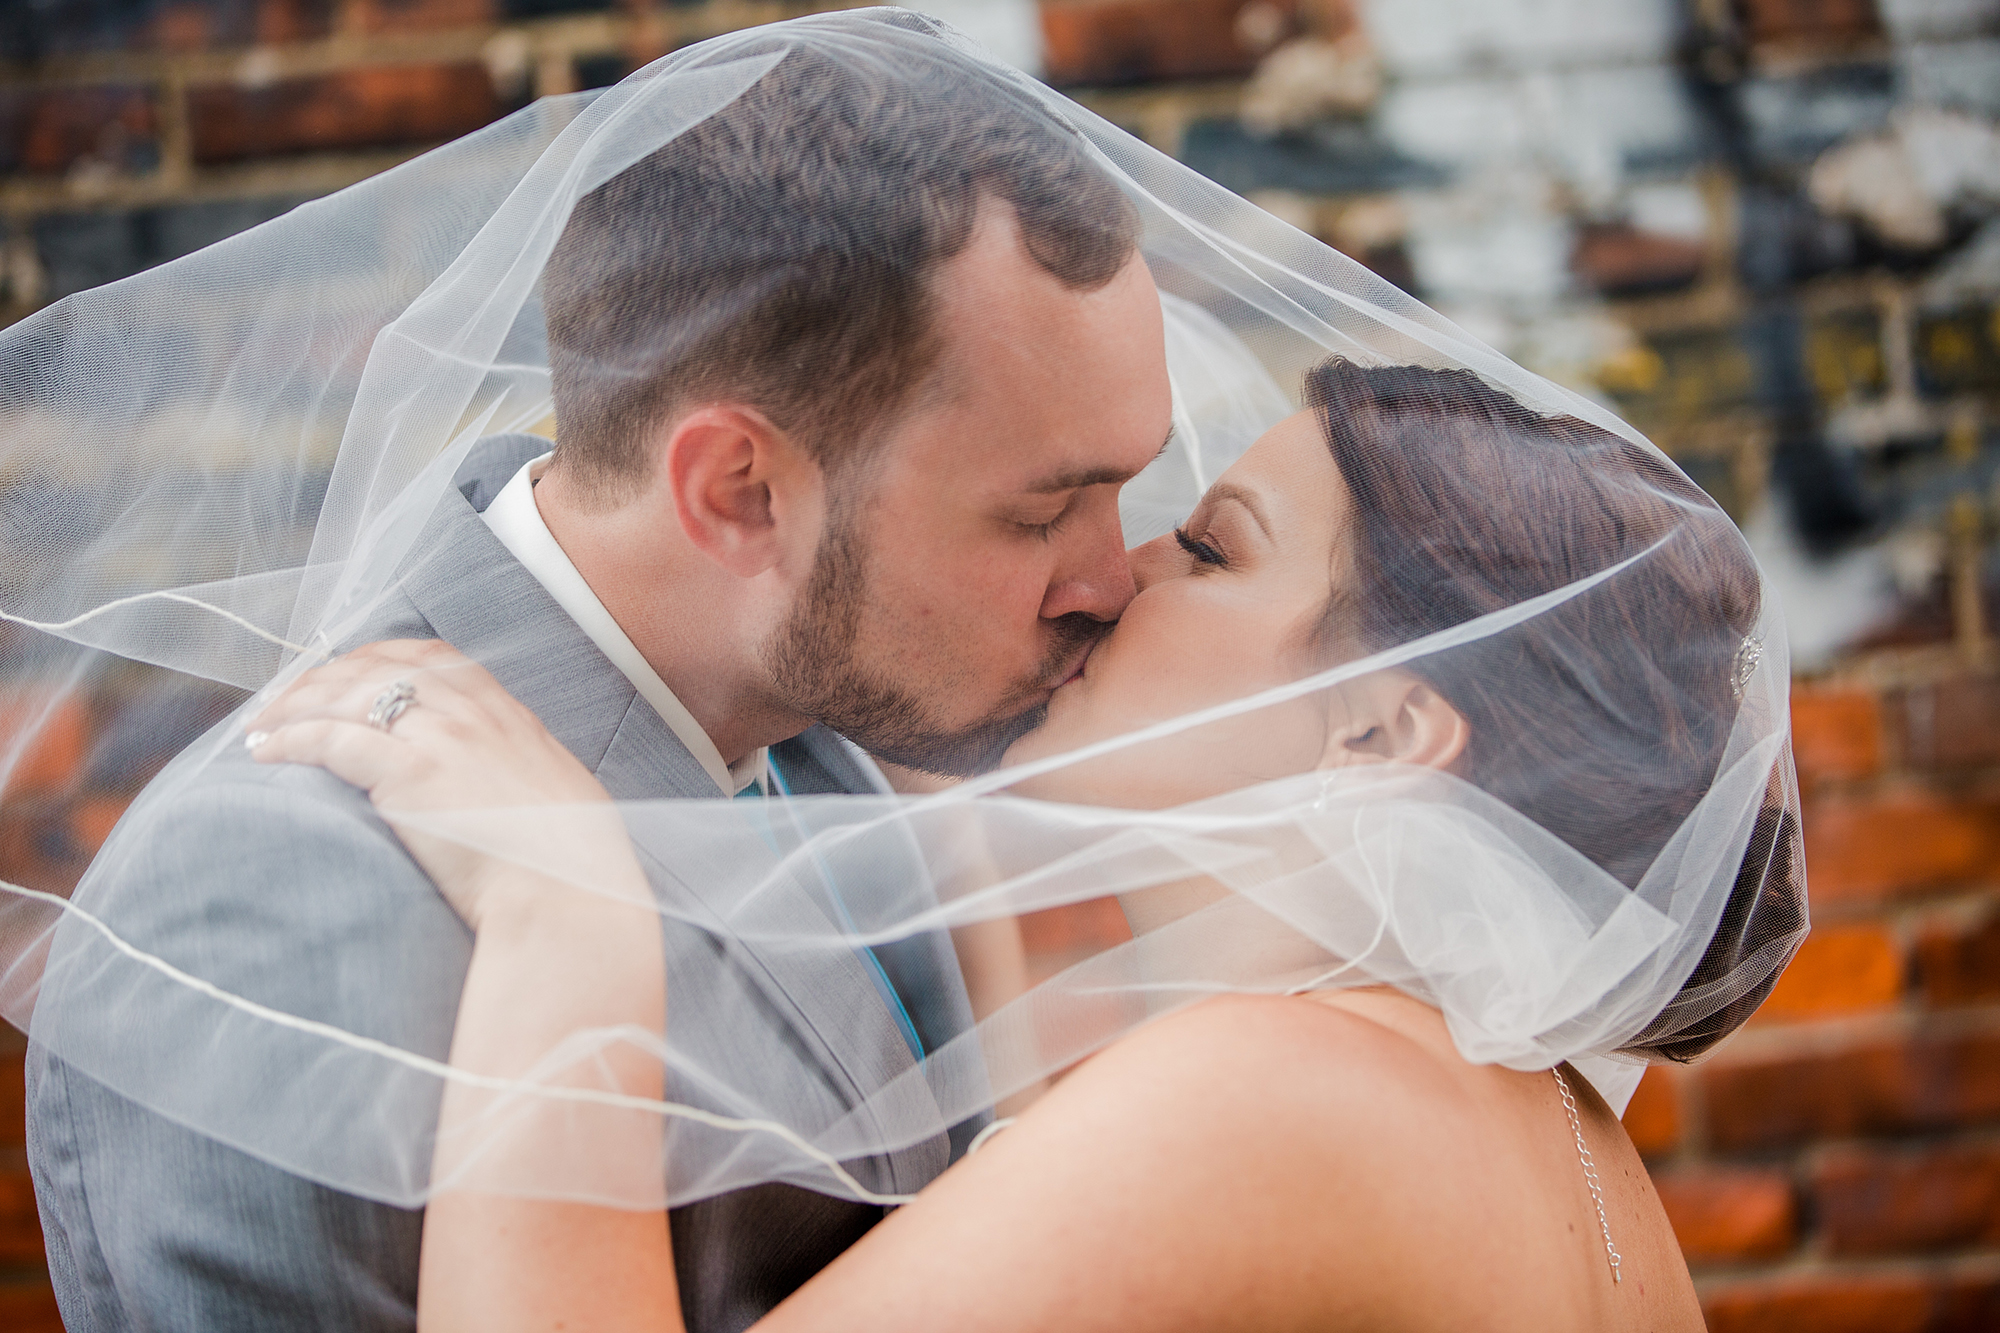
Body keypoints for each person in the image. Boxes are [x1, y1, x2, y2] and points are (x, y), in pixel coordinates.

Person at [246, 358, 1804, 1331]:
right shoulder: (1523, 1124)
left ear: (1385, 731)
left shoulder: (1272, 1102)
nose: (1122, 574)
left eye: (1210, 548)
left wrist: (561, 911)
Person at [21, 23, 1172, 1333]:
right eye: (1040, 515)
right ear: (740, 493)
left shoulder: (831, 704)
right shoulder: (287, 902)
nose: (1112, 580)